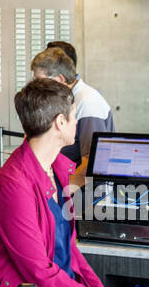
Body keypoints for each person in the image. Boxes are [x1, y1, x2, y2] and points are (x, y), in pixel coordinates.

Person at [0, 78, 136, 287]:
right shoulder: (14, 183)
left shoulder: (57, 169)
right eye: (75, 117)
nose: (77, 123)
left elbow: (69, 250)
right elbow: (40, 272)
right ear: (60, 123)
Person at [30, 45, 114, 188]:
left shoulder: (87, 103)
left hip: (83, 194)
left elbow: (91, 163)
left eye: (41, 81)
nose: (37, 88)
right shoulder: (66, 98)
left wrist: (56, 194)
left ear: (60, 79)